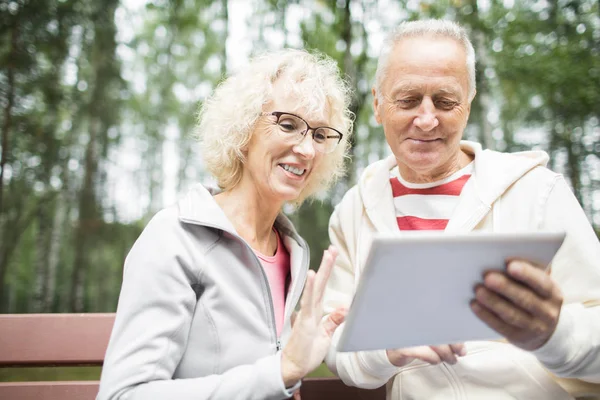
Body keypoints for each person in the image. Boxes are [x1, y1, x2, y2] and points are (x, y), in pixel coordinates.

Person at [323, 19, 600, 399]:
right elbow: (335, 340)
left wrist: (552, 335)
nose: (425, 119)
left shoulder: (538, 191)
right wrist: (386, 351)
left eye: (445, 100)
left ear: (467, 105)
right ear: (378, 105)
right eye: (407, 100)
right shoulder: (353, 212)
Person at [96, 49, 354, 400]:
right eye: (289, 125)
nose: (307, 149)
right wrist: (282, 370)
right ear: (244, 128)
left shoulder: (291, 249)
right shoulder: (174, 237)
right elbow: (123, 395)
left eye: (320, 134)